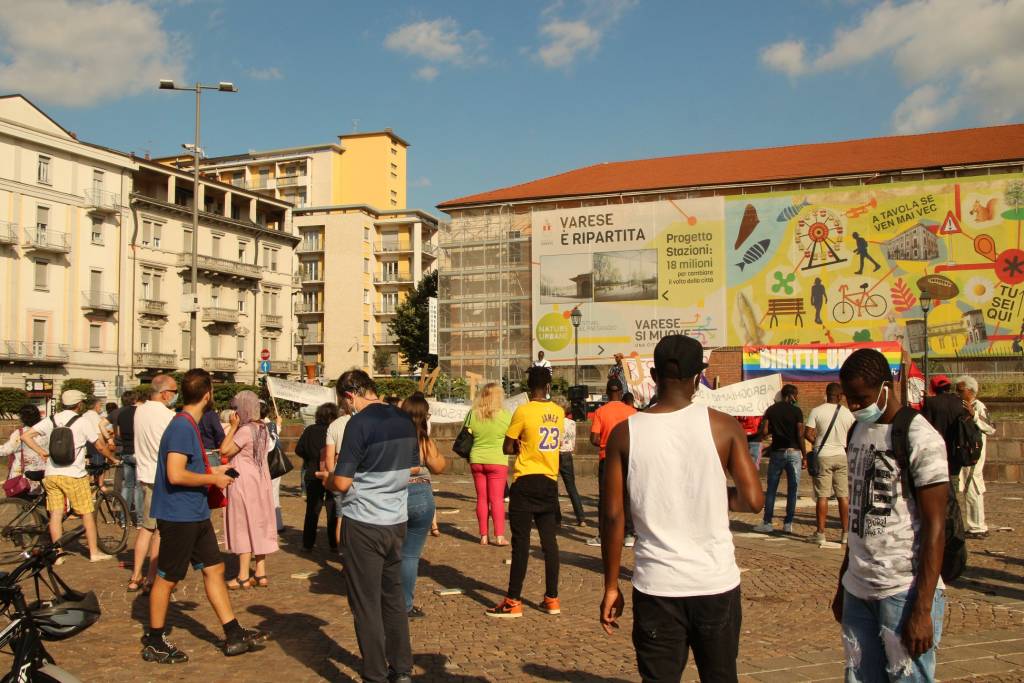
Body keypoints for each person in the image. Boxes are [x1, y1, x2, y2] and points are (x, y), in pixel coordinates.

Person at [599, 334, 765, 682]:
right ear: (697, 378)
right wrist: (715, 495)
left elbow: (614, 516)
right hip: (714, 581)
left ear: (655, 375)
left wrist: (611, 586)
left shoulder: (625, 433)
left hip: (657, 584)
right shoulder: (723, 426)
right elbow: (753, 500)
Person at [833, 348, 949, 682]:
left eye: (861, 398)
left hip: (904, 590)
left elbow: (935, 527)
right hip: (859, 587)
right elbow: (858, 515)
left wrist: (923, 608)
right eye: (849, 399)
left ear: (887, 386)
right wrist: (844, 582)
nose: (854, 406)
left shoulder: (919, 437)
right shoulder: (857, 431)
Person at [140, 368, 267, 663]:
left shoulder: (186, 424)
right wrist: (212, 480)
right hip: (179, 514)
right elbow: (175, 473)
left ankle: (233, 632)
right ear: (208, 395)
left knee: (214, 569)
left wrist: (213, 472)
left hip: (195, 513)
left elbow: (187, 469)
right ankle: (155, 639)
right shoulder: (182, 426)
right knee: (167, 578)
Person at [324, 369, 417, 683]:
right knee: (392, 597)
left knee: (366, 604)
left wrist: (329, 479)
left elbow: (343, 481)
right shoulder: (403, 418)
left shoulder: (358, 423)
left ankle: (375, 674)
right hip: (396, 520)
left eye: (344, 401)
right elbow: (413, 464)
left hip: (364, 521)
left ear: (350, 395)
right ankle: (401, 669)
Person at [486, 366, 565, 619]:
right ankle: (552, 598)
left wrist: (519, 445)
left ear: (528, 388)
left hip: (526, 479)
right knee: (549, 543)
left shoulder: (523, 410)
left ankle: (513, 600)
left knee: (521, 543)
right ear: (549, 387)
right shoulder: (558, 412)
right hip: (549, 480)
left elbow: (508, 446)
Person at [21, 389, 116, 562]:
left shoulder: (51, 420)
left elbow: (26, 436)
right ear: (79, 405)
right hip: (74, 474)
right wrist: (112, 459)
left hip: (51, 474)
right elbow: (100, 446)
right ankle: (94, 552)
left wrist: (42, 452)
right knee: (87, 513)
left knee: (56, 514)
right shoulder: (82, 422)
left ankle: (58, 554)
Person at [220, 390, 278, 589]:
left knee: (243, 523)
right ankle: (260, 572)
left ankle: (243, 575)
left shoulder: (244, 430)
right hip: (261, 479)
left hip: (244, 480)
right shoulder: (262, 427)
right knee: (260, 522)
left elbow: (225, 450)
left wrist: (233, 427)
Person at [128, 375, 178, 593]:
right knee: (159, 531)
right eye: (174, 392)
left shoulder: (140, 410)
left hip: (145, 473)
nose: (175, 397)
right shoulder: (168, 416)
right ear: (166, 393)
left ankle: (135, 575)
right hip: (161, 477)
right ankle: (150, 577)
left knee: (145, 529)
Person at [399, 394, 446, 618]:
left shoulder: (393, 438)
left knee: (390, 552)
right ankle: (405, 604)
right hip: (420, 495)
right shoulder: (423, 439)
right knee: (409, 555)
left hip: (395, 494)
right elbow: (439, 466)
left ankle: (384, 600)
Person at [587, 378, 637, 547]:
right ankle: (629, 533)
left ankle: (603, 535)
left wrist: (605, 443)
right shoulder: (632, 412)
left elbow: (594, 438)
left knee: (605, 497)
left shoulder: (601, 412)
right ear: (621, 392)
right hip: (627, 457)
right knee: (627, 495)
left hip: (606, 457)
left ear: (607, 393)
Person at [804, 383, 855, 545]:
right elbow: (853, 435)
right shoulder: (848, 414)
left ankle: (820, 533)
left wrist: (817, 442)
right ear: (840, 396)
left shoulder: (817, 411)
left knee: (822, 495)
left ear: (827, 394)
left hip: (823, 455)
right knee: (843, 496)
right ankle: (846, 533)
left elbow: (808, 433)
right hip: (841, 455)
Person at [753, 384, 806, 534]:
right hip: (794, 452)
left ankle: (767, 522)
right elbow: (800, 434)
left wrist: (769, 434)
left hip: (777, 452)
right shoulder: (797, 411)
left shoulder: (771, 410)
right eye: (797, 394)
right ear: (791, 395)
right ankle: (788, 523)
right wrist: (804, 455)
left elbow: (764, 430)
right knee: (793, 489)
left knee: (771, 489)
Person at [467, 382, 513, 545]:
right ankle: (499, 536)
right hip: (497, 460)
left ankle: (483, 536)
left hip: (476, 459)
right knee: (497, 499)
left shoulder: (472, 414)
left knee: (481, 498)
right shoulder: (506, 415)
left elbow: (467, 433)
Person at [955, 375, 996, 539]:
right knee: (967, 486)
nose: (958, 393)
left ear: (970, 391)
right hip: (965, 452)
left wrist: (975, 416)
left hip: (975, 453)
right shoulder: (962, 405)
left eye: (961, 390)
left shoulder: (979, 406)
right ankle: (974, 524)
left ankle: (978, 526)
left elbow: (991, 428)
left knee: (973, 486)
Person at [297, 402, 340, 552]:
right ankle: (334, 543)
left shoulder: (309, 430)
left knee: (312, 510)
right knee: (332, 509)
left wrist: (310, 459)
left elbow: (299, 449)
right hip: (331, 473)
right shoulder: (334, 429)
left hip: (312, 473)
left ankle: (308, 543)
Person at [922, 375, 971, 478]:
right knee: (954, 477)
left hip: (937, 448)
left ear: (934, 388)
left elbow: (926, 426)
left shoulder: (930, 402)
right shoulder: (960, 402)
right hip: (957, 446)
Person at [323, 398, 353, 550]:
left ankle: (343, 556)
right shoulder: (359, 421)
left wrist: (331, 475)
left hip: (338, 471)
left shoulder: (333, 425)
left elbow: (329, 456)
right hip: (356, 473)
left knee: (340, 516)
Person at [1, 404, 47, 496]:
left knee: (22, 505)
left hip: (24, 478)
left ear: (22, 418)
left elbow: (6, 450)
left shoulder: (20, 433)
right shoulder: (46, 431)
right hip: (45, 472)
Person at [554, 396, 586, 527]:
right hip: (568, 454)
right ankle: (581, 517)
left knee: (553, 488)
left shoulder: (555, 422)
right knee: (571, 487)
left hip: (555, 454)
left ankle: (557, 519)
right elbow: (573, 443)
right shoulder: (572, 423)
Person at [115, 391, 142, 526]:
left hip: (126, 452)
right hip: (138, 452)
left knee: (127, 486)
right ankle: (140, 520)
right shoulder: (140, 413)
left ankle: (123, 519)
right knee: (138, 487)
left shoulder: (121, 414)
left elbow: (119, 434)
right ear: (135, 399)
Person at [261, 401, 285, 532]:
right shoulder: (271, 426)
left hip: (261, 466)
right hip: (274, 465)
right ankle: (278, 524)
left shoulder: (252, 427)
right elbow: (277, 431)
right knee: (274, 495)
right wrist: (278, 422)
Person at [198, 401, 226, 466]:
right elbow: (220, 433)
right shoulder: (211, 414)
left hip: (197, 453)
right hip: (210, 453)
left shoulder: (193, 414)